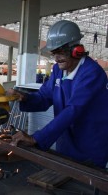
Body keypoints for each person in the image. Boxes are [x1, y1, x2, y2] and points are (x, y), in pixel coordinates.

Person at [8, 20, 108, 169]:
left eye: (61, 52)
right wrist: (24, 97)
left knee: (83, 188)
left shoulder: (92, 73)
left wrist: (36, 138)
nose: (56, 58)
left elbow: (73, 110)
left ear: (77, 50)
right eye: (54, 53)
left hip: (89, 146)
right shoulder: (58, 70)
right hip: (66, 142)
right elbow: (44, 97)